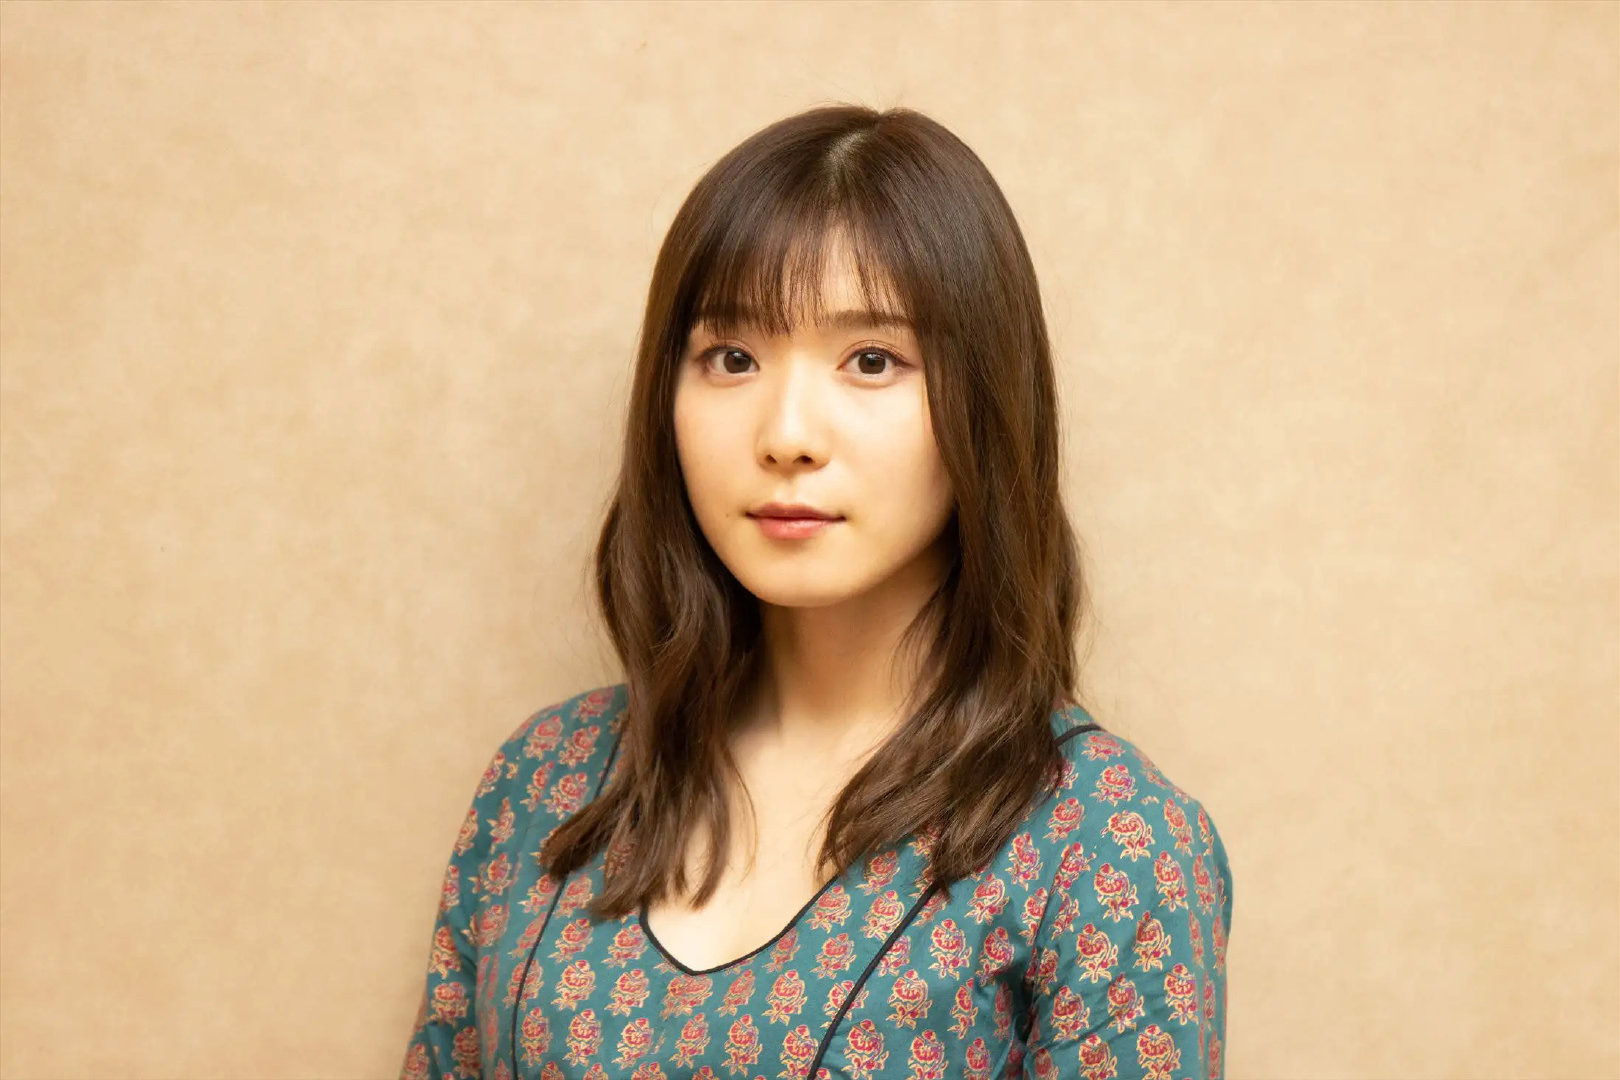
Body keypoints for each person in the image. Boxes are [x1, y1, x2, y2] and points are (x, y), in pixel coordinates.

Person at [399, 103, 1233, 1080]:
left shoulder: (1111, 846)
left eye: (872, 361)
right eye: (732, 358)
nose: (787, 434)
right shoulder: (544, 781)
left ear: (984, 401)